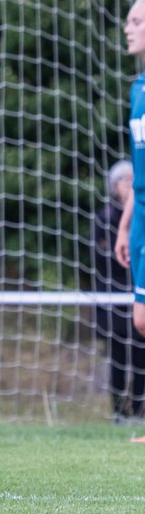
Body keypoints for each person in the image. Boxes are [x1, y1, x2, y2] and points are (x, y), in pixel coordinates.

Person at [114, 0, 145, 410]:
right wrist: (125, 225)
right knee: (139, 319)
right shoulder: (137, 89)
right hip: (140, 217)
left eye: (136, 20)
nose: (128, 28)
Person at [96, 160, 145, 420]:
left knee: (140, 356)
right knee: (117, 359)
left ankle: (138, 410)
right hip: (113, 302)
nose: (130, 185)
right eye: (124, 181)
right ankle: (118, 412)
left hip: (136, 295)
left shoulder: (141, 215)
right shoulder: (106, 217)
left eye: (131, 179)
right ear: (114, 187)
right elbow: (101, 258)